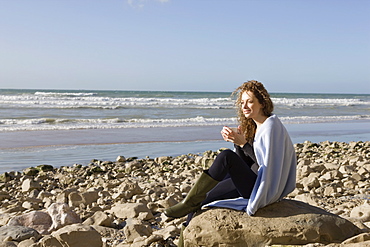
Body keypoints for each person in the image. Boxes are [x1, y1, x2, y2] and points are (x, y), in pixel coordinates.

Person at [164, 80, 296, 221]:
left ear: (262, 103)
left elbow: (268, 167)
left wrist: (243, 144)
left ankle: (188, 202)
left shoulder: (271, 127)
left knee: (226, 156)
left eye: (249, 102)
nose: (244, 106)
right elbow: (246, 162)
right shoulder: (256, 127)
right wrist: (238, 142)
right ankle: (185, 230)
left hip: (262, 187)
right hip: (251, 181)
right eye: (242, 102)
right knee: (202, 201)